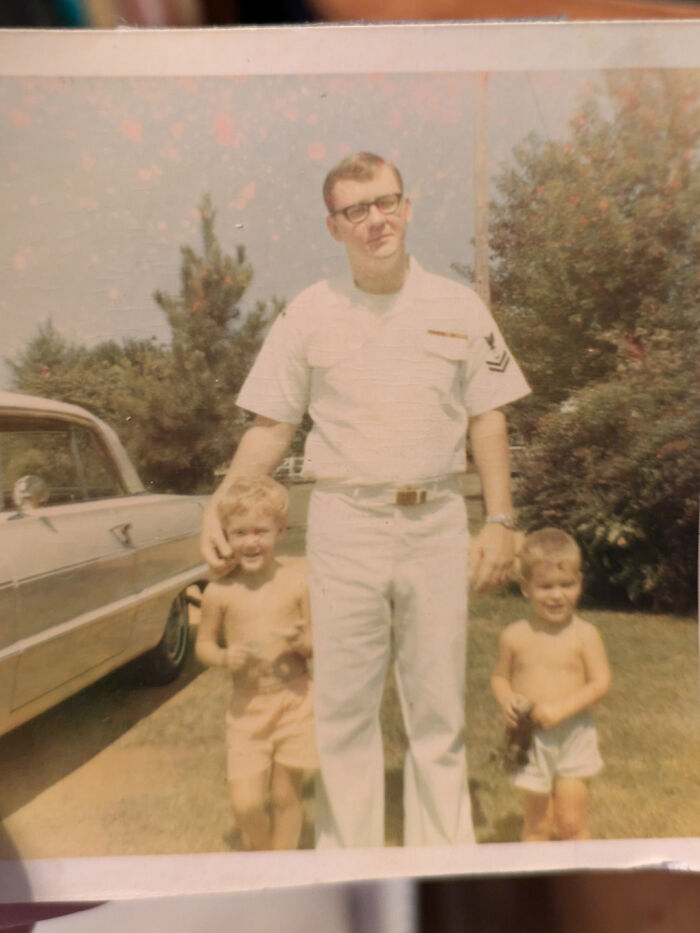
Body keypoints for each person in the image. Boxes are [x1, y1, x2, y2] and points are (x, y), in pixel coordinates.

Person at [201, 151, 530, 847]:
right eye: (357, 209)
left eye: (387, 203)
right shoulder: (309, 313)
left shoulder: (457, 305)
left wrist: (499, 518)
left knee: (437, 710)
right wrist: (219, 500)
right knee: (344, 711)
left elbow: (489, 415)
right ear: (334, 225)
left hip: (436, 517)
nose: (376, 220)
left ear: (406, 208)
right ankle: (349, 876)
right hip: (346, 521)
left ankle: (444, 875)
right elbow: (272, 423)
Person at [195, 476, 317, 851]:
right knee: (246, 804)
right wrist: (222, 657)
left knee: (284, 797)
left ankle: (283, 865)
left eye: (260, 531)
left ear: (280, 530)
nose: (250, 542)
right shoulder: (219, 592)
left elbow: (317, 641)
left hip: (295, 701)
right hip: (247, 709)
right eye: (240, 532)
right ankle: (266, 852)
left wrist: (304, 644)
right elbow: (203, 645)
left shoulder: (298, 582)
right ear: (226, 536)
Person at [491, 528, 611, 841]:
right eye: (546, 587)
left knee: (572, 822)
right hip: (530, 737)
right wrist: (506, 699)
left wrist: (561, 708)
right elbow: (500, 677)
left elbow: (600, 683)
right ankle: (535, 885)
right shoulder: (515, 635)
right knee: (538, 825)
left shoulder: (585, 635)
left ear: (579, 583)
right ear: (526, 588)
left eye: (566, 584)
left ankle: (584, 884)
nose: (557, 595)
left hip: (574, 734)